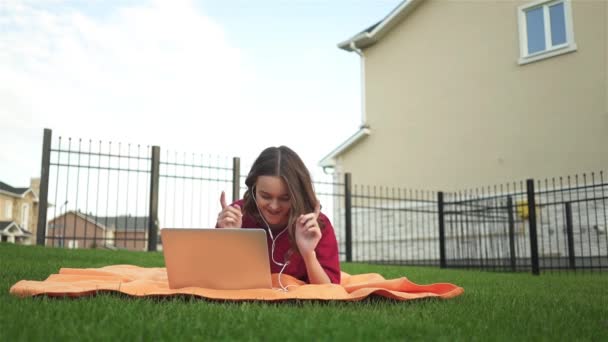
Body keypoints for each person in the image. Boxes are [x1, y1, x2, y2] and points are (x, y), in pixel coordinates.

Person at [216, 146, 341, 285]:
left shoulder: (316, 225)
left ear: (297, 196)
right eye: (265, 196)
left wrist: (308, 254)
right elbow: (215, 278)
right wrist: (229, 239)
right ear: (253, 189)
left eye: (284, 198)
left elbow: (331, 292)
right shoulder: (235, 216)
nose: (274, 206)